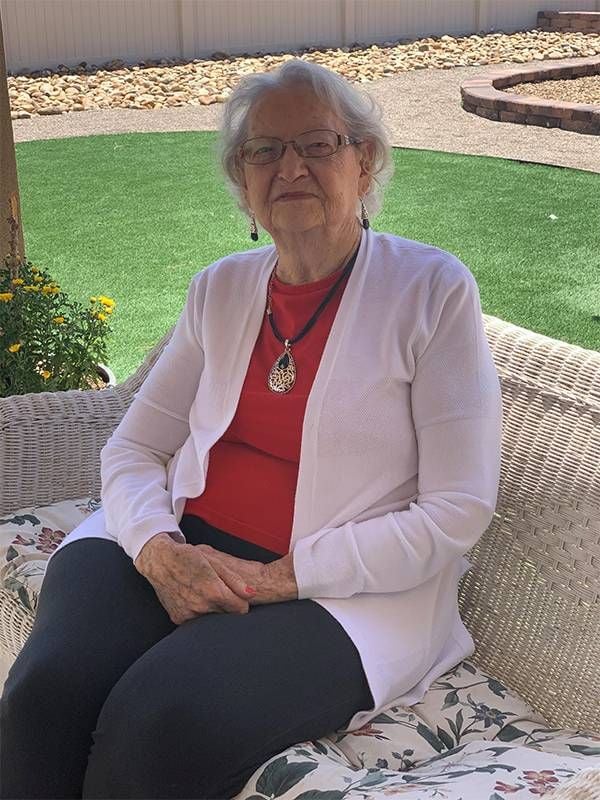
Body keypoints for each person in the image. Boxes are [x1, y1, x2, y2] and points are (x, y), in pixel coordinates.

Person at [0, 59, 503, 799]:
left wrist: (288, 576)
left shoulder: (430, 291)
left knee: (158, 723)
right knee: (43, 697)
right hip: (176, 542)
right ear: (242, 178)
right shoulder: (222, 289)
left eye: (317, 145)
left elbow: (458, 508)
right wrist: (159, 549)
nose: (289, 166)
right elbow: (136, 448)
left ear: (364, 162)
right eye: (264, 150)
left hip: (340, 590)